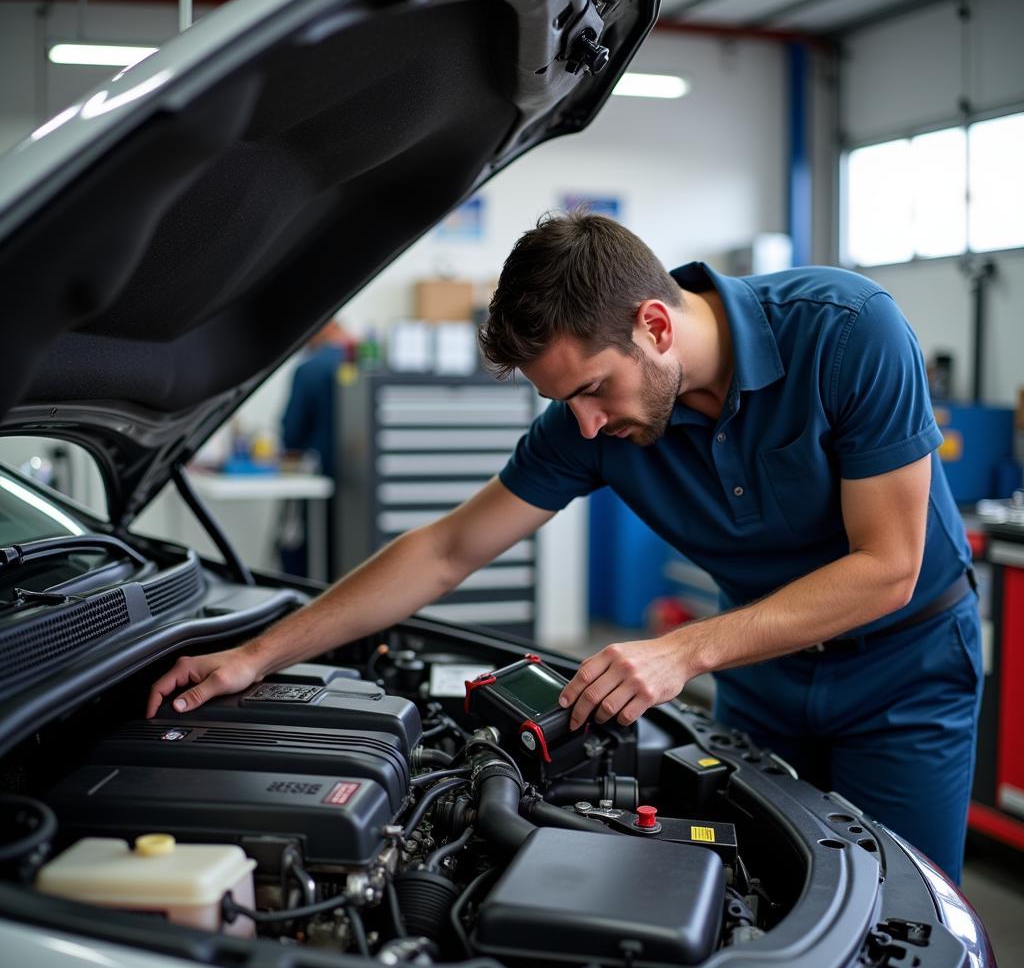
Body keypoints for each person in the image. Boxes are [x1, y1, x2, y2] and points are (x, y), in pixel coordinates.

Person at [148, 212, 981, 883]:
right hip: (759, 676)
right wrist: (256, 655)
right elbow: (446, 551)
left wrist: (680, 651)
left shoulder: (847, 333)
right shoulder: (591, 423)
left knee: (901, 907)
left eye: (590, 389)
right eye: (564, 401)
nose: (584, 425)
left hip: (900, 679)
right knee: (760, 891)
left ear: (655, 325)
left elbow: (887, 568)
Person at [277, 318, 353, 577]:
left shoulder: (309, 369)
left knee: (306, 553)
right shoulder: (367, 362)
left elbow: (292, 432)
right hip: (362, 485)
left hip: (320, 476)